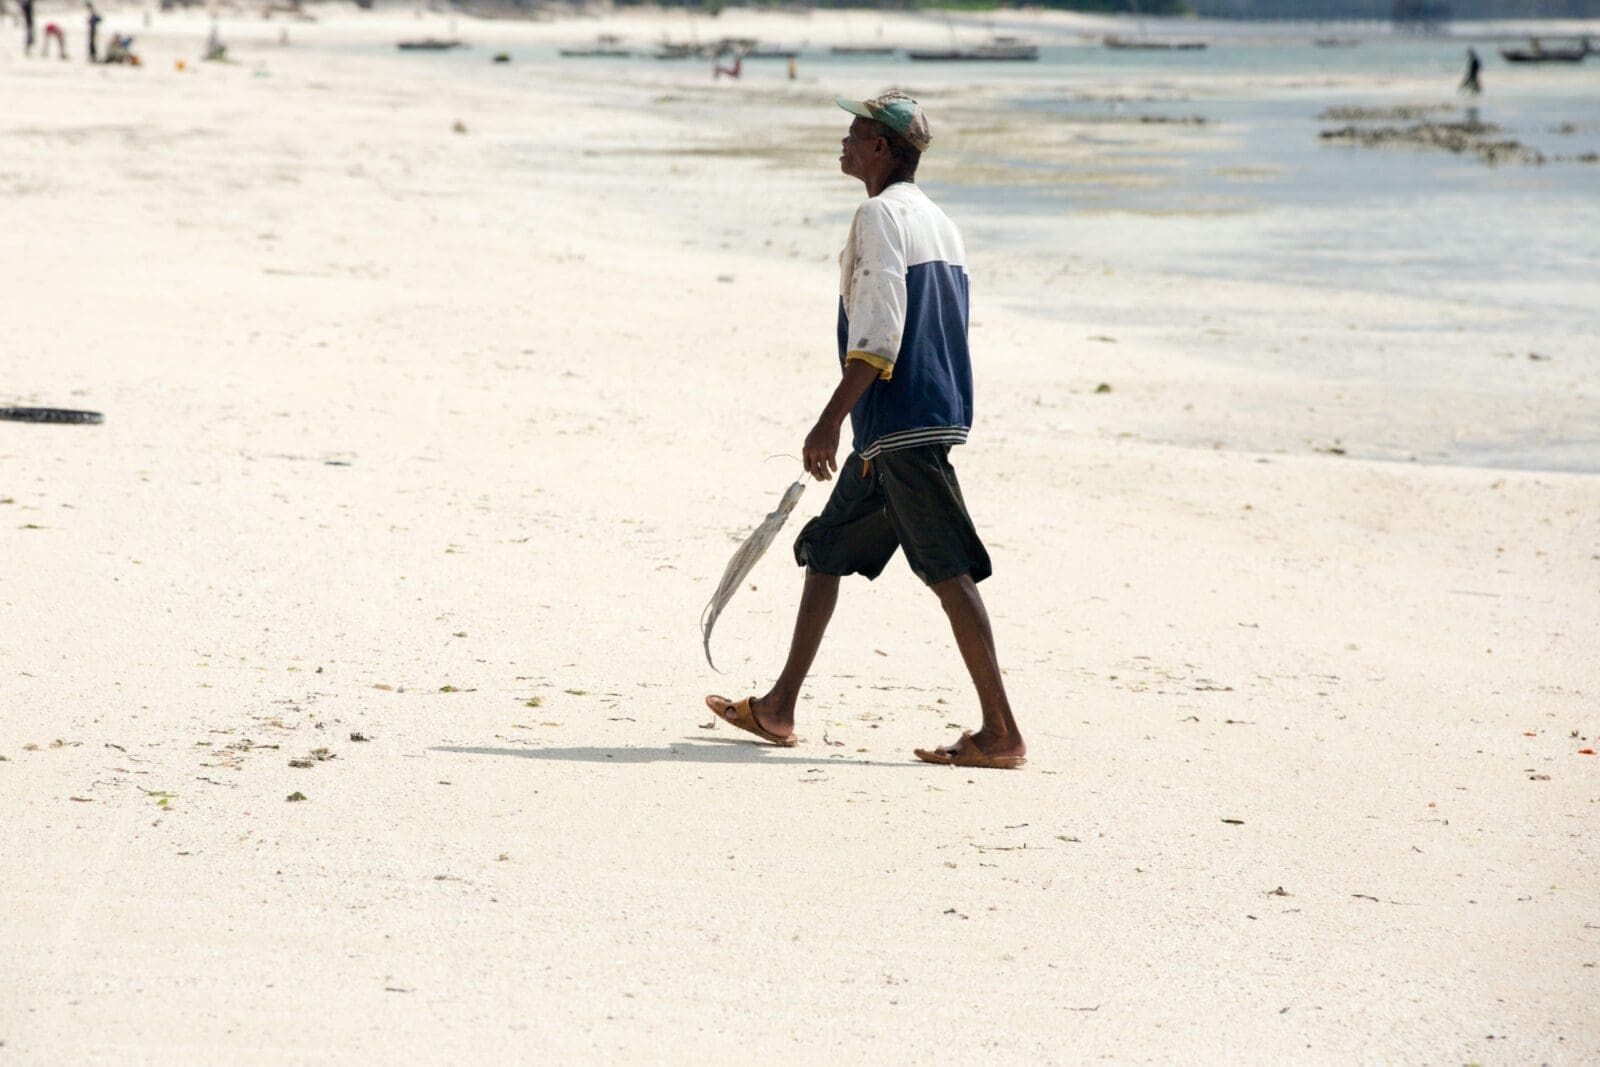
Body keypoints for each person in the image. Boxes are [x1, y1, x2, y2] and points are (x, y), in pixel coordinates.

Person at [705, 91, 1027, 770]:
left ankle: (1002, 732)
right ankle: (779, 707)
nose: (844, 143)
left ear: (881, 147)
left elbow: (880, 333)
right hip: (914, 420)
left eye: (854, 134)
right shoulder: (939, 221)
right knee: (826, 549)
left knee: (949, 570)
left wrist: (828, 420)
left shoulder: (880, 216)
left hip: (899, 424)